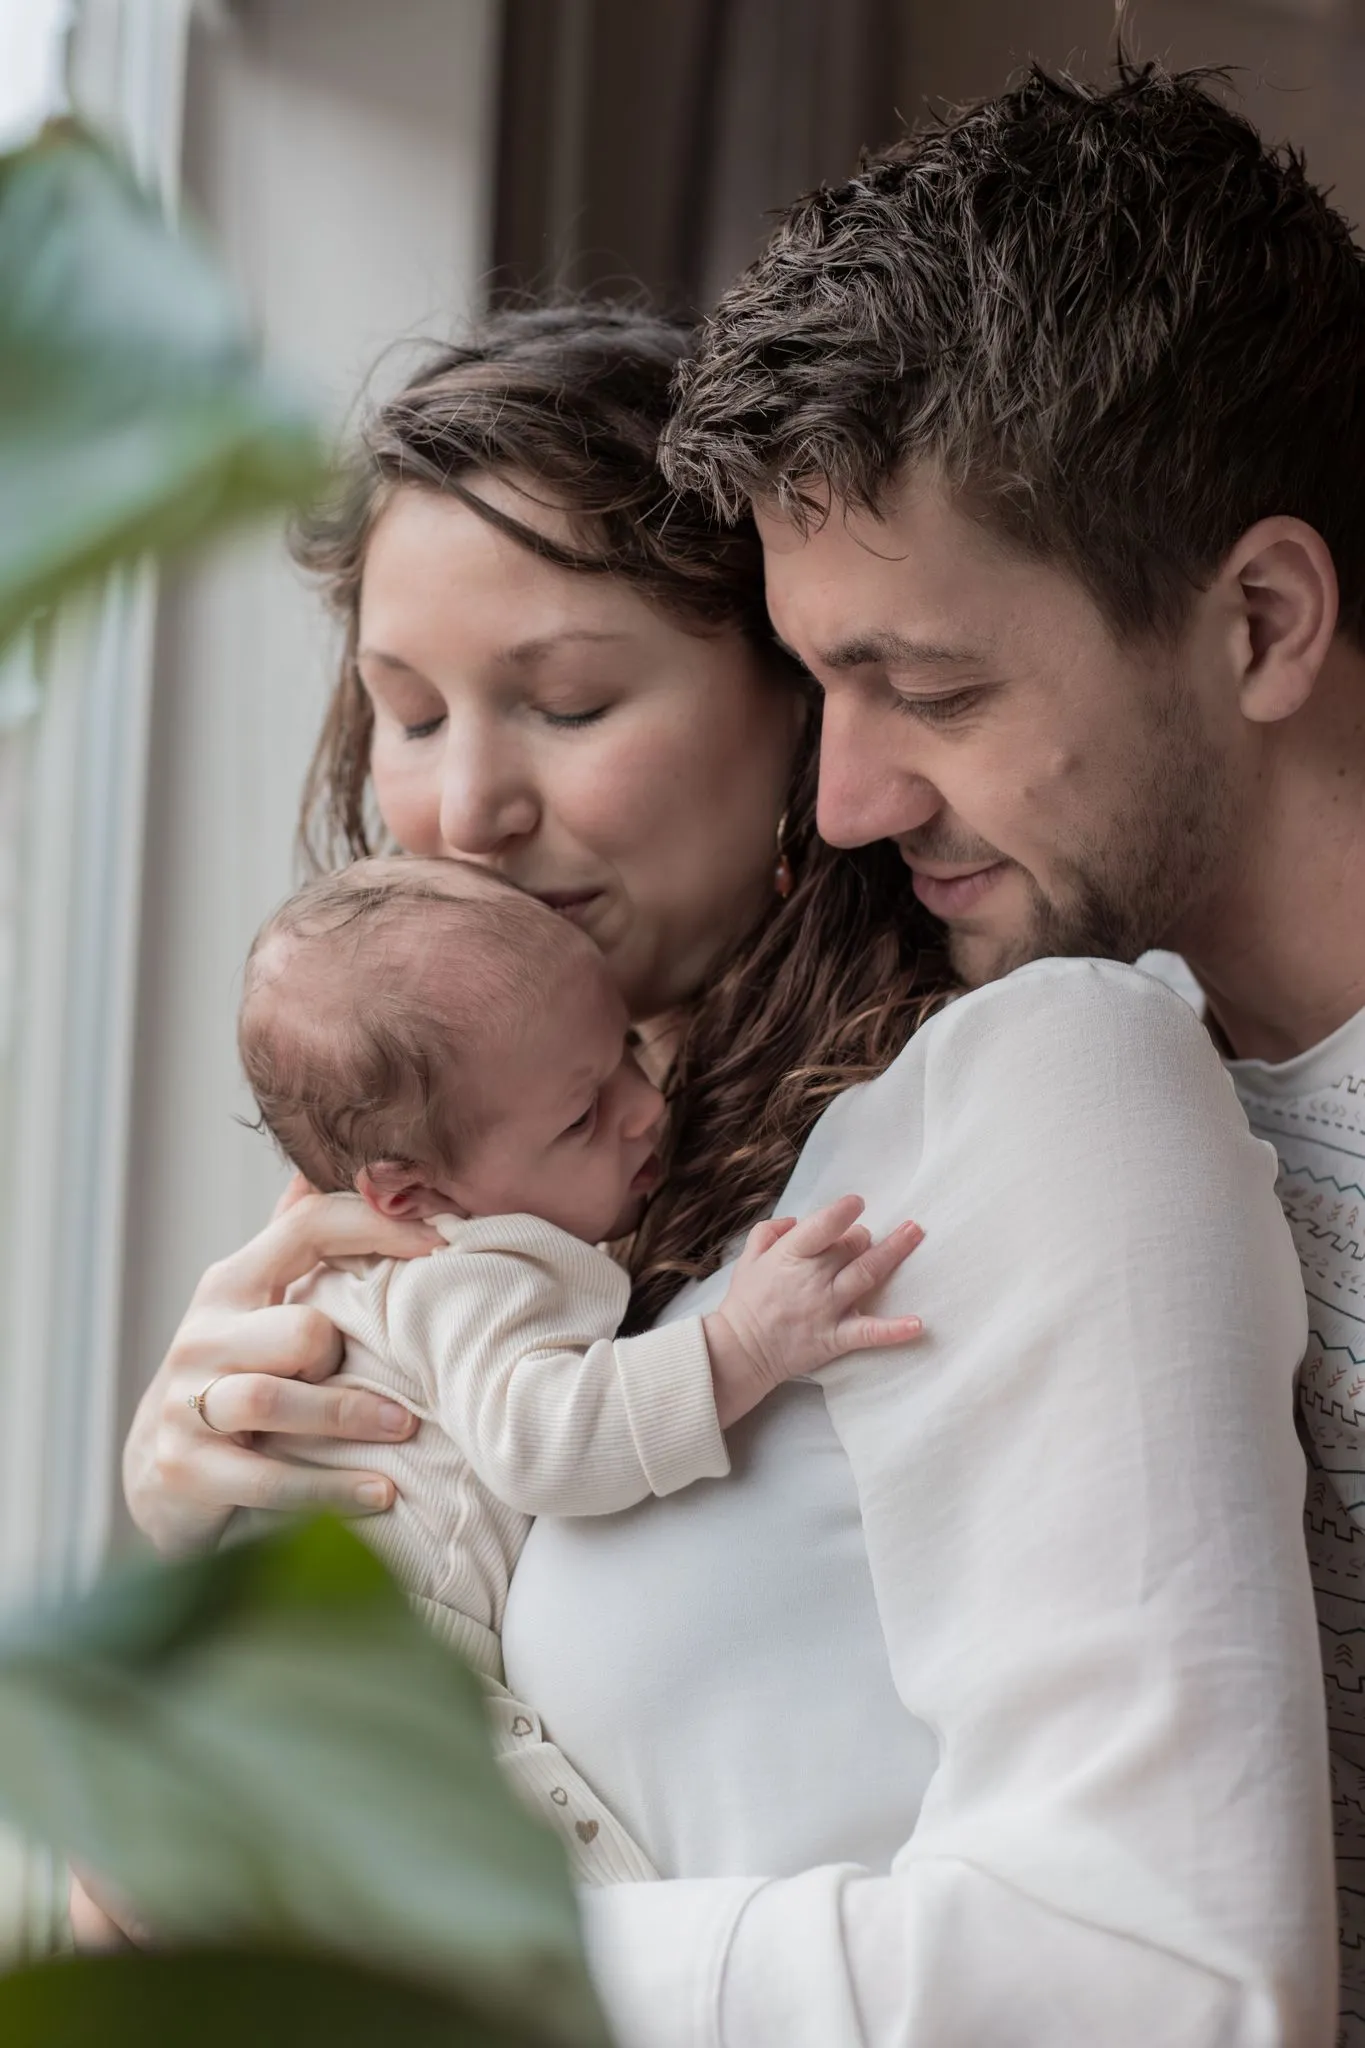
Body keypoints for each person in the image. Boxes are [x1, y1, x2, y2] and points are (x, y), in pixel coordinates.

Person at [115, 301, 1332, 2045]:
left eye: (567, 700)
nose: (465, 810)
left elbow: (1170, 1985)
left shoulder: (1013, 1098)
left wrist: (390, 1956)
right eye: (403, 712)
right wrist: (215, 1540)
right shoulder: (469, 1232)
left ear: (796, 709)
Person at [663, 51, 1364, 2047]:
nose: (851, 798)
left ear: (1256, 622)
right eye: (818, 683)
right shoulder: (999, 1068)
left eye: (932, 686)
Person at [234, 851, 923, 1881]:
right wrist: (739, 1345)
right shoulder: (465, 1271)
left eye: (628, 1055)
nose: (645, 1108)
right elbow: (541, 1441)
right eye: (582, 1115)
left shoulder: (403, 1257)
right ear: (407, 1192)